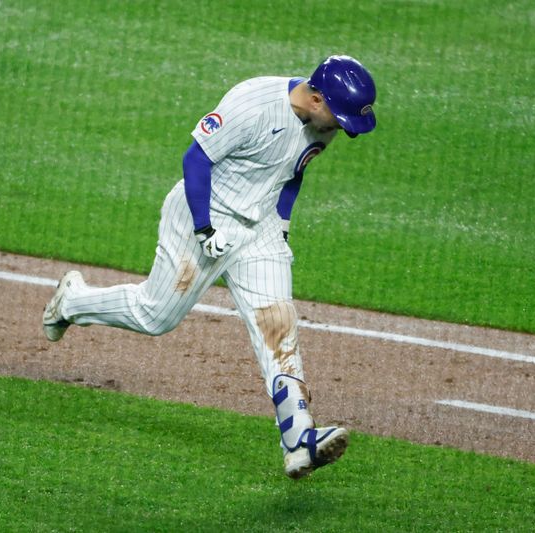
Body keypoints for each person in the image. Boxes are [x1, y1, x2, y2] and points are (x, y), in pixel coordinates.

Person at [42, 55, 377, 479]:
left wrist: (283, 227)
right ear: (314, 98)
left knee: (278, 324)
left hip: (261, 230)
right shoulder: (253, 103)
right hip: (203, 216)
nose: (345, 129)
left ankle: (299, 439)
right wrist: (204, 228)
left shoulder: (324, 124)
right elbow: (195, 160)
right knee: (155, 315)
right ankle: (72, 302)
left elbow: (292, 174)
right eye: (342, 117)